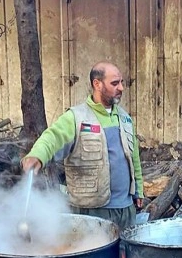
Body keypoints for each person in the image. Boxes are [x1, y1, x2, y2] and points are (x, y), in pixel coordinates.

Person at [20, 61, 144, 231]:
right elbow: (52, 137)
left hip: (125, 209)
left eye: (121, 82)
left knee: (126, 256)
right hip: (92, 213)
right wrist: (38, 155)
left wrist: (138, 190)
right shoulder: (76, 117)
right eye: (115, 83)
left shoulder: (125, 118)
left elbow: (133, 157)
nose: (121, 87)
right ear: (97, 84)